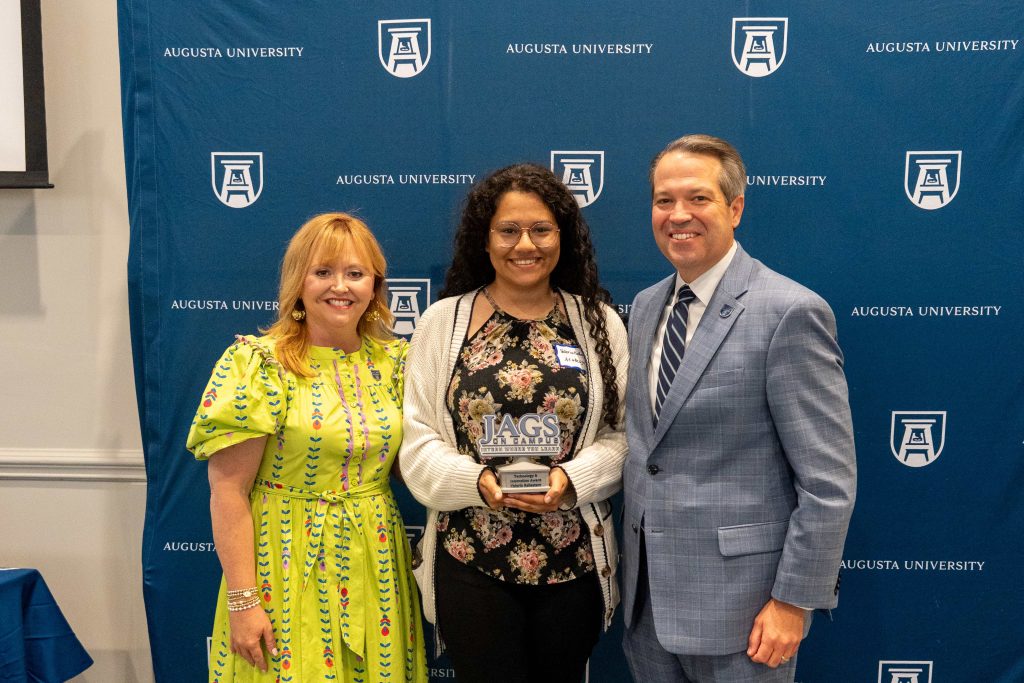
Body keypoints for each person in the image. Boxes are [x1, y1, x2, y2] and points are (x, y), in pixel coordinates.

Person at [621, 135, 857, 683]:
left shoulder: (789, 312)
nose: (678, 215)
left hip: (746, 614)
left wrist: (793, 603)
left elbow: (828, 483)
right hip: (646, 604)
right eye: (663, 200)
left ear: (735, 208)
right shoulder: (646, 306)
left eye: (698, 198)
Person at [399, 163, 629, 683]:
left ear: (562, 238)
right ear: (485, 240)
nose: (525, 244)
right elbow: (417, 443)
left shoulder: (598, 323)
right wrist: (475, 483)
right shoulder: (442, 323)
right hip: (470, 561)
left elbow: (624, 437)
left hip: (573, 563)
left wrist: (572, 480)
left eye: (541, 229)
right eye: (508, 230)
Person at [186, 213, 427, 682]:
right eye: (323, 272)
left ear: (374, 285)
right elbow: (228, 491)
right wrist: (243, 601)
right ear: (299, 282)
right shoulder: (259, 363)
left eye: (355, 273)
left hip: (374, 558)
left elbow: (409, 463)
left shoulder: (397, 363)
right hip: (283, 560)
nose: (341, 286)